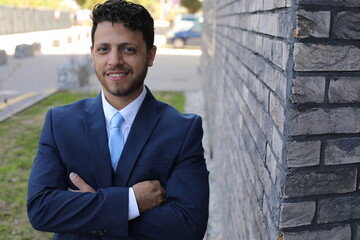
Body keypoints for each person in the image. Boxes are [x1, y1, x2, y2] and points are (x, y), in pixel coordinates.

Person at [27, 0, 209, 239]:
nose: (114, 60)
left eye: (128, 49)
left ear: (151, 55)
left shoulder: (182, 131)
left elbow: (188, 225)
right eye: (104, 49)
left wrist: (87, 213)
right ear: (93, 54)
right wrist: (131, 202)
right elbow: (41, 209)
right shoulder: (59, 123)